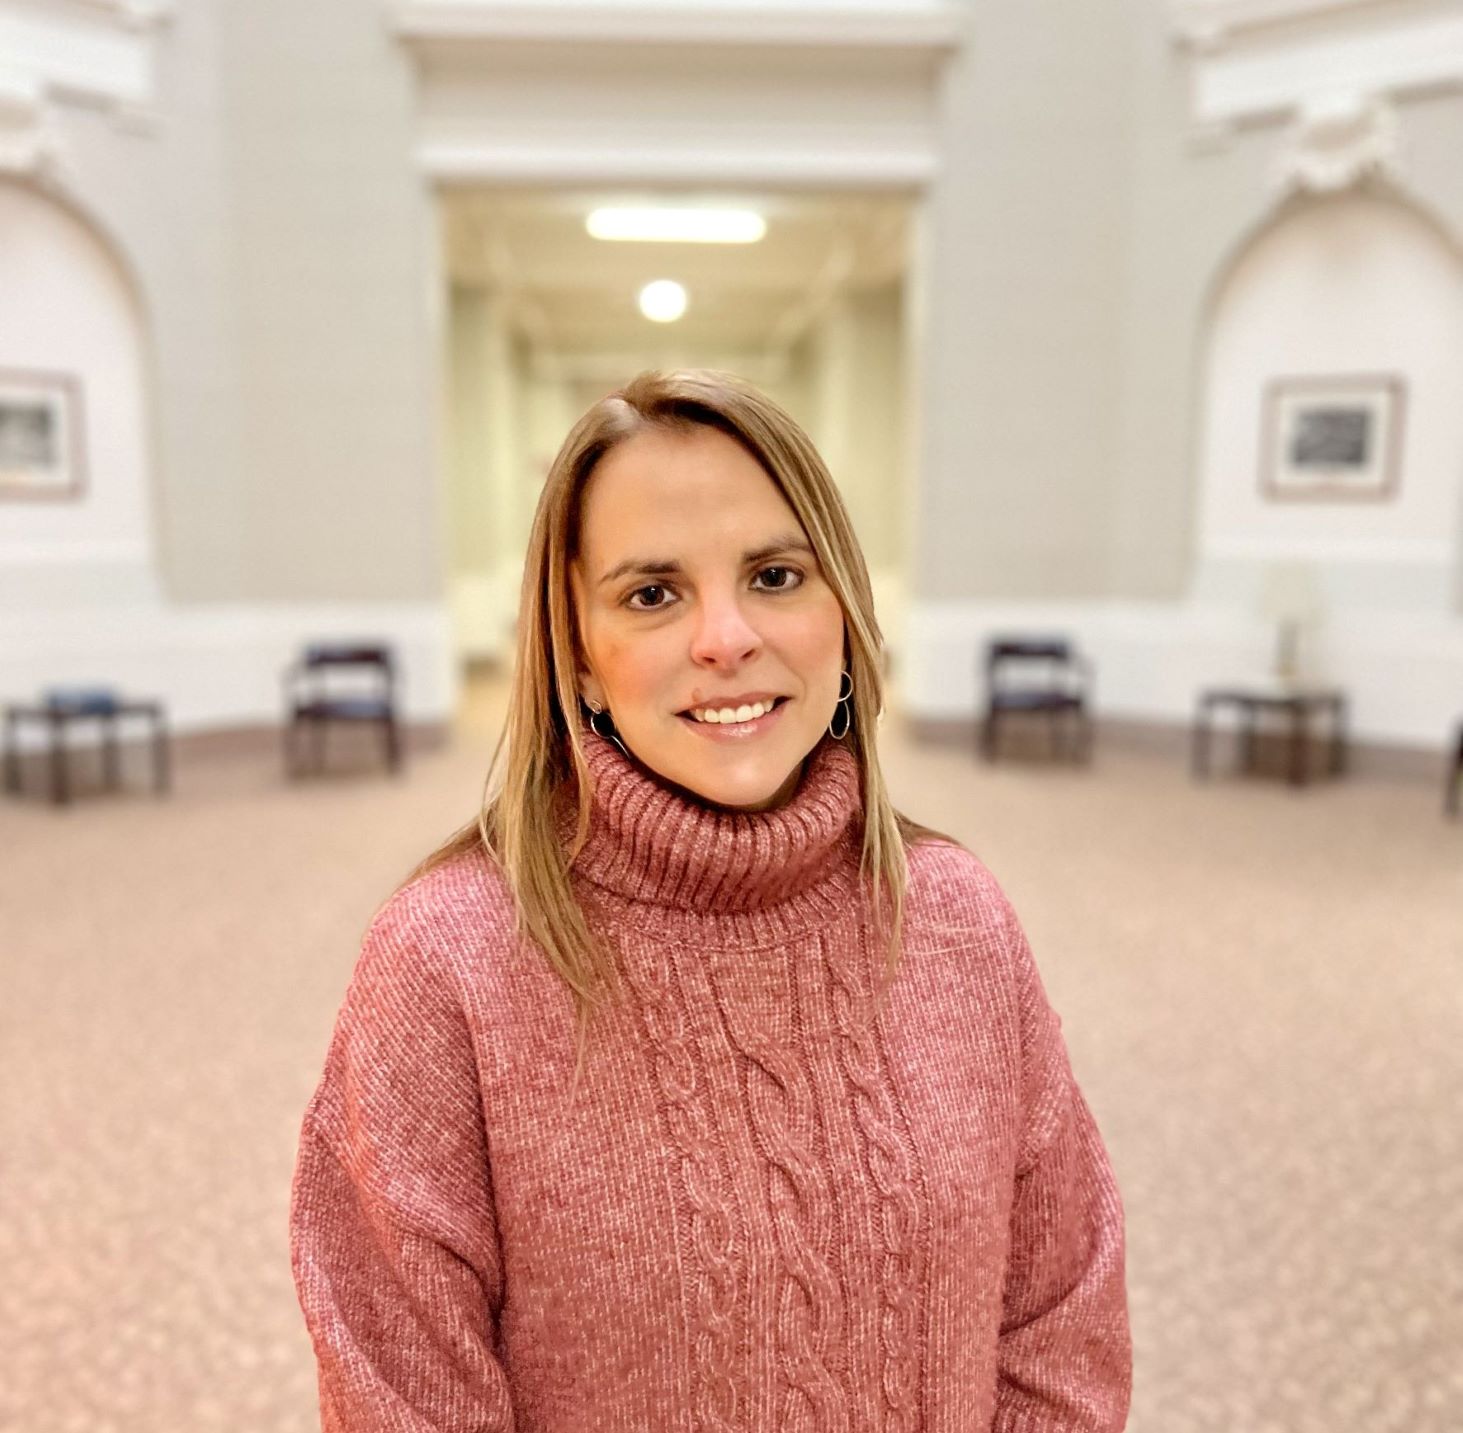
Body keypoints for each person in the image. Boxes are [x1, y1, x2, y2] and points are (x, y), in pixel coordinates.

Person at [289, 369, 1131, 1431]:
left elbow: (1059, 1324)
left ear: (842, 610)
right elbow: (399, 1393)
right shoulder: (445, 963)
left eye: (775, 574)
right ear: (579, 657)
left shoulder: (957, 919)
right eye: (652, 593)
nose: (724, 637)